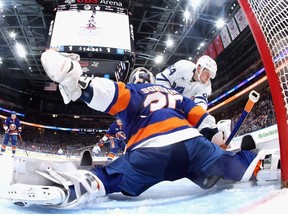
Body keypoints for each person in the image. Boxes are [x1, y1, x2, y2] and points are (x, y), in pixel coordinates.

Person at [8, 50, 257, 209]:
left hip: (149, 152)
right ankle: (253, 162)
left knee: (110, 177)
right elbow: (202, 118)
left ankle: (77, 186)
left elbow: (108, 93)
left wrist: (80, 82)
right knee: (231, 166)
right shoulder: (176, 94)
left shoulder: (134, 92)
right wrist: (215, 137)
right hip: (192, 145)